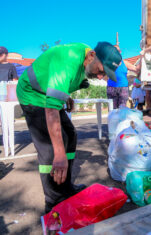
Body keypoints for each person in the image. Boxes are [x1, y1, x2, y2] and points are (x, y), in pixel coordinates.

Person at [16, 42, 122, 213]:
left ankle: (65, 187)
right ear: (91, 56)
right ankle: (53, 202)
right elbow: (51, 110)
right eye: (101, 71)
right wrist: (59, 155)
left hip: (46, 93)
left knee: (70, 135)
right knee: (50, 148)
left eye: (105, 75)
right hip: (32, 94)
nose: (101, 77)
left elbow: (62, 85)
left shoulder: (86, 62)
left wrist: (65, 97)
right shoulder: (67, 60)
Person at [107, 45, 139, 109]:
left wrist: (142, 58)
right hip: (111, 88)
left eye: (118, 51)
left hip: (123, 88)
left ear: (120, 51)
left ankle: (121, 119)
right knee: (113, 109)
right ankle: (113, 119)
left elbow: (136, 69)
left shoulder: (125, 63)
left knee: (122, 108)